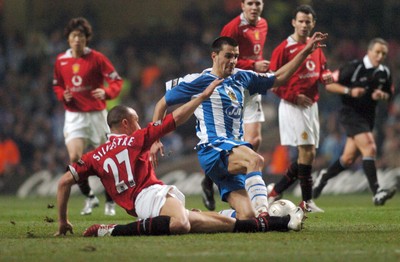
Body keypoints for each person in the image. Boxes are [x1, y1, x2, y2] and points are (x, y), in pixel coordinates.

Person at [54, 80, 305, 237]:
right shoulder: (136, 139)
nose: (140, 124)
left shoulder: (94, 156)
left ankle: (280, 223)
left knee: (226, 223)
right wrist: (200, 98)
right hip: (150, 196)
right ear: (125, 123)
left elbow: (64, 182)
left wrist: (63, 220)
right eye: (136, 120)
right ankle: (110, 231)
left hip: (145, 205)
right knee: (182, 224)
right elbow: (174, 119)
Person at [151, 34, 327, 220]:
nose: (233, 60)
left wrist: (306, 51)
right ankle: (265, 214)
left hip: (232, 150)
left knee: (246, 216)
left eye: (235, 56)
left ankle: (198, 216)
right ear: (214, 56)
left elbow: (279, 77)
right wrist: (155, 139)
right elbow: (162, 104)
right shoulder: (198, 80)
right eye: (228, 56)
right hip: (213, 148)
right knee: (255, 160)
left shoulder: (243, 77)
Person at [200, 0, 270, 211]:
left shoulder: (263, 24)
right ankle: (213, 179)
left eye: (258, 3)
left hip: (251, 86)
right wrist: (253, 65)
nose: (254, 7)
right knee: (234, 140)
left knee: (254, 139)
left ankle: (240, 182)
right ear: (242, 5)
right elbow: (225, 60)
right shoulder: (232, 28)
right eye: (250, 3)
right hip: (233, 87)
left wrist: (259, 70)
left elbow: (253, 55)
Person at [312, 38, 396, 205]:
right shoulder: (353, 67)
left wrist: (382, 95)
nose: (380, 56)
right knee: (370, 147)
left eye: (383, 54)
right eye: (377, 52)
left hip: (368, 118)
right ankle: (377, 192)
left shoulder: (384, 72)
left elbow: (390, 93)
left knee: (348, 159)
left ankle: (324, 176)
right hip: (351, 115)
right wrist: (349, 91)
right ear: (369, 51)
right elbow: (329, 85)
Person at [52, 17, 123, 216]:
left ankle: (110, 200)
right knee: (75, 159)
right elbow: (57, 84)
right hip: (74, 116)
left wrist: (107, 93)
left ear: (86, 39)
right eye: (74, 36)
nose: (77, 39)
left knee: (105, 159)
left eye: (81, 36)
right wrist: (62, 95)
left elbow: (116, 80)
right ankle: (90, 197)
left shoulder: (97, 58)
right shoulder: (61, 60)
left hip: (97, 116)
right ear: (68, 39)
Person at [267, 5, 331, 213]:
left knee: (309, 154)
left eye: (308, 21)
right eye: (300, 21)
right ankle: (307, 202)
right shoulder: (283, 49)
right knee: (306, 150)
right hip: (294, 105)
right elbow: (271, 81)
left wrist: (326, 76)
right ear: (293, 22)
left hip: (312, 105)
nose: (304, 25)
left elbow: (321, 70)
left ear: (313, 24)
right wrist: (293, 96)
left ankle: (275, 191)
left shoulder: (316, 48)